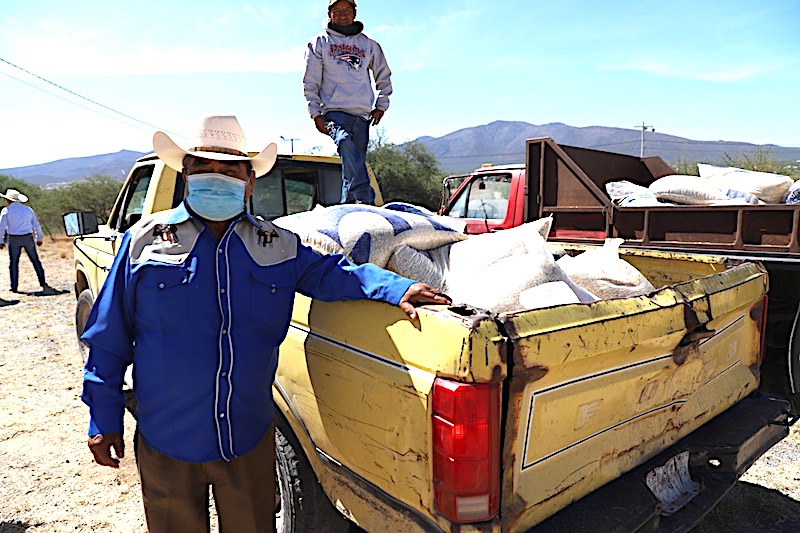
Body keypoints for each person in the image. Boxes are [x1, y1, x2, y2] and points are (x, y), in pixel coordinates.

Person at [81, 113, 451, 532]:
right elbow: (108, 339)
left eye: (229, 169)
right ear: (185, 173)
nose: (215, 176)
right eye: (203, 166)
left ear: (249, 180)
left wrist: (394, 287)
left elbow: (334, 273)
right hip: (166, 443)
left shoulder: (277, 245)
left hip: (248, 441)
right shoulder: (143, 243)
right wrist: (103, 417)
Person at [303, 0, 392, 205]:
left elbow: (383, 75)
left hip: (362, 115)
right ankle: (365, 197)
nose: (342, 15)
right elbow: (311, 80)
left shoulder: (368, 44)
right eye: (337, 11)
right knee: (344, 143)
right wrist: (315, 113)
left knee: (351, 165)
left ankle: (348, 207)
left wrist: (381, 105)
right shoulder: (319, 43)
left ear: (354, 13)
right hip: (334, 111)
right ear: (329, 13)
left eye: (347, 11)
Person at [0, 188, 58, 295]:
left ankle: (14, 286)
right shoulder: (28, 209)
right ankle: (42, 282)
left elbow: (1, 227)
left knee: (13, 262)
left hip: (14, 238)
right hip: (28, 237)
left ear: (8, 200)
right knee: (35, 260)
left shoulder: (6, 211)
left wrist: (1, 240)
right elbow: (36, 225)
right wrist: (39, 238)